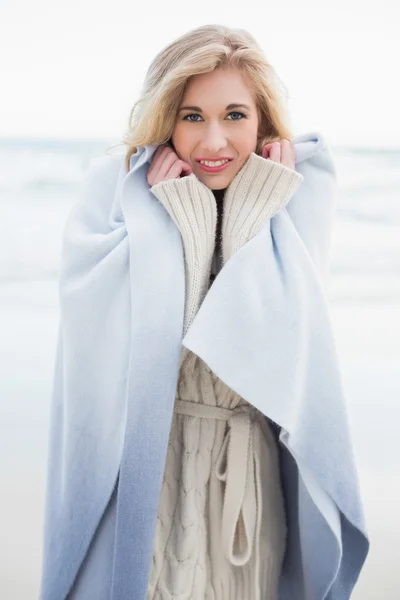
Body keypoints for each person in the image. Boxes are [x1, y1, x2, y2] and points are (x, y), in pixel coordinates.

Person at [39, 24, 369, 600]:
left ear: (263, 122)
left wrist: (244, 230)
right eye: (192, 116)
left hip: (248, 490)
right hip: (152, 477)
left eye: (235, 115)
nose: (214, 140)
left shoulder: (293, 208)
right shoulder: (113, 207)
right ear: (166, 119)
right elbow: (137, 364)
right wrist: (187, 235)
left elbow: (282, 369)